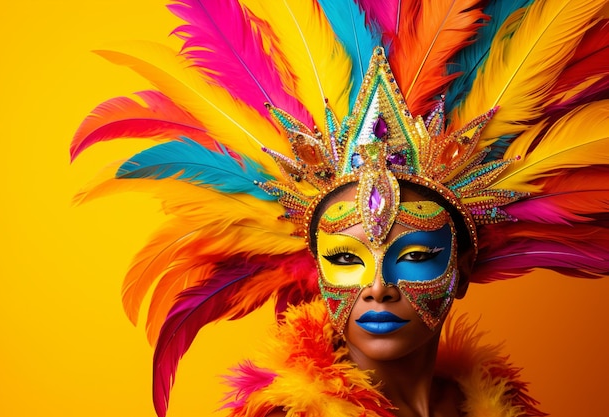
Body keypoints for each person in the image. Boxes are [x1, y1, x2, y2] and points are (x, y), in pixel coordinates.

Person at [72, 1, 609, 416]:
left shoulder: (496, 405)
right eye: (347, 258)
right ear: (317, 267)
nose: (378, 286)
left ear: (461, 268)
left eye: (416, 253)